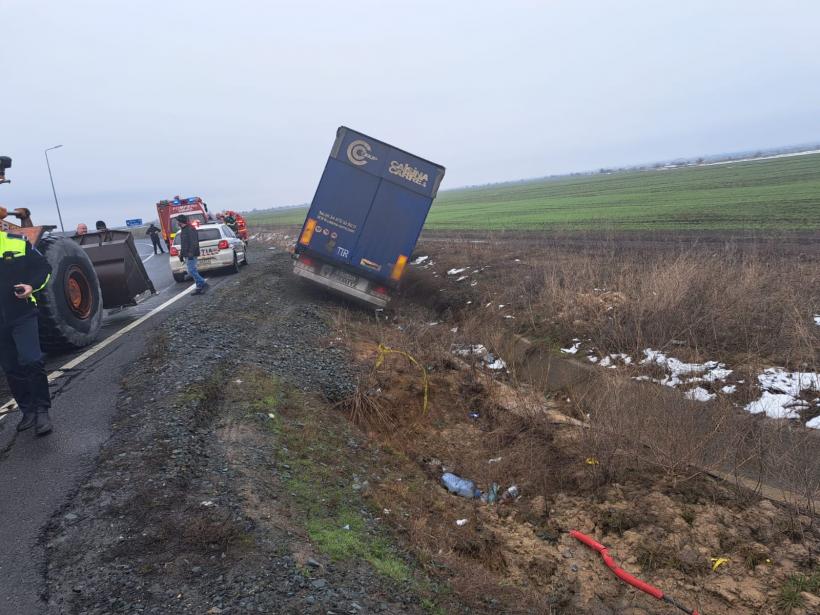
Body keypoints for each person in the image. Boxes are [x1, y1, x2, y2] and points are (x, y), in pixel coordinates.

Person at [0, 230, 53, 435]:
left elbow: (43, 268)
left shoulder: (17, 243)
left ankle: (42, 411)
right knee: (10, 368)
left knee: (32, 360)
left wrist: (32, 285)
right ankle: (27, 411)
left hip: (22, 314)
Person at [177, 214, 208, 295]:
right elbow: (184, 244)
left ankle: (203, 283)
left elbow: (193, 242)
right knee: (193, 270)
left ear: (181, 221)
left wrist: (191, 253)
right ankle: (199, 288)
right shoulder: (183, 230)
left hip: (192, 253)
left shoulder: (190, 229)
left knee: (191, 271)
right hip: (187, 254)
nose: (177, 223)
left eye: (178, 221)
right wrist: (181, 255)